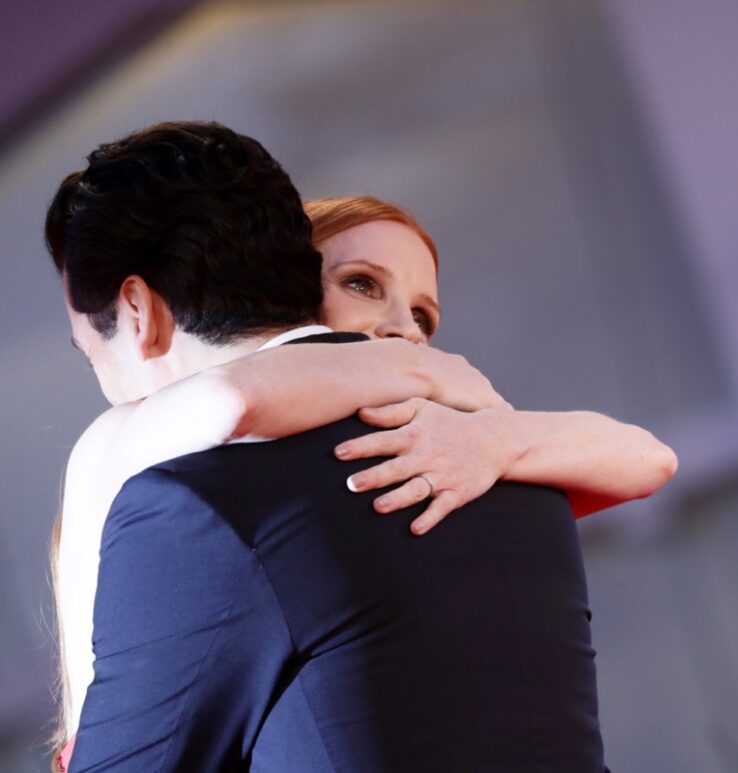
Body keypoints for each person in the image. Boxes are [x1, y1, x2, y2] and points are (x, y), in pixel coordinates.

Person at [50, 121, 666, 770]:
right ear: (298, 291)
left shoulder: (206, 504)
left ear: (138, 310)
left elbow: (650, 457)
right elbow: (230, 397)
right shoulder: (518, 492)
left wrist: (494, 431)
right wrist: (436, 379)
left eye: (425, 317)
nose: (401, 330)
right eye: (363, 283)